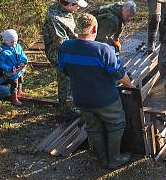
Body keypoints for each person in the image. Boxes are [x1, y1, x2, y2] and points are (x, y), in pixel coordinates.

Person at [57, 13, 134, 169]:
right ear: (94, 28)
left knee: (93, 127)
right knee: (116, 124)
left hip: (81, 98)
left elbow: (65, 70)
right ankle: (114, 159)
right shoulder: (104, 50)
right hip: (105, 99)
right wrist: (130, 86)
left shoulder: (65, 48)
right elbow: (119, 74)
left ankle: (102, 158)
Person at [42, 0, 87, 104]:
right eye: (77, 5)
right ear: (70, 4)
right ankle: (66, 107)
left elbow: (71, 31)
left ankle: (74, 99)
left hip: (69, 46)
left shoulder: (65, 10)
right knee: (65, 78)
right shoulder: (55, 19)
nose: (78, 8)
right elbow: (61, 43)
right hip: (59, 52)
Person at [0, 29, 28, 106]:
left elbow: (22, 54)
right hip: (12, 72)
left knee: (20, 80)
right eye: (11, 42)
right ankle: (14, 99)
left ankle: (20, 91)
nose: (14, 43)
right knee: (14, 85)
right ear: (5, 41)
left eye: (15, 41)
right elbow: (2, 63)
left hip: (19, 69)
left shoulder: (17, 46)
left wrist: (24, 61)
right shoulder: (3, 51)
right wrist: (9, 69)